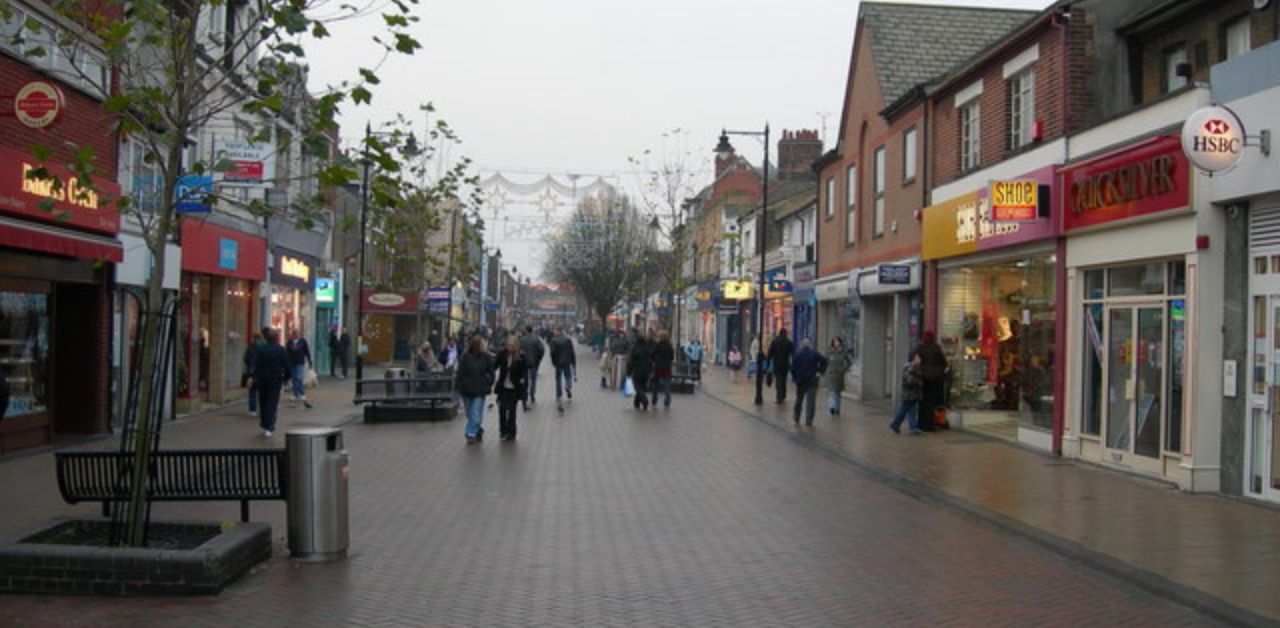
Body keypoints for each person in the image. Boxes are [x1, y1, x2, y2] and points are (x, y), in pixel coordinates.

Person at [248, 328, 291, 437]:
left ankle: (265, 423)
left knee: (263, 402)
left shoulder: (261, 349)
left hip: (262, 380)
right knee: (272, 403)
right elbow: (287, 365)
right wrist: (286, 378)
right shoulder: (281, 350)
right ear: (276, 339)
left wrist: (253, 376)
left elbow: (255, 364)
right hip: (275, 381)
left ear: (266, 338)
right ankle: (269, 426)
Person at [456, 336, 495, 444]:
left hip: (479, 390)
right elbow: (460, 373)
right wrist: (460, 386)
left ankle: (470, 433)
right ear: (476, 346)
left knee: (475, 413)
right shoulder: (465, 357)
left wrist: (488, 383)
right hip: (467, 390)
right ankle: (478, 430)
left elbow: (491, 372)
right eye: (482, 345)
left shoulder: (486, 357)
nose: (484, 346)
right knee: (469, 414)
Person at [493, 336, 528, 441]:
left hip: (514, 388)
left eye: (512, 346)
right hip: (503, 387)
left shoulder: (521, 356)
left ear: (516, 346)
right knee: (502, 410)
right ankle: (503, 431)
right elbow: (494, 366)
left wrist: (523, 382)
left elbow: (524, 372)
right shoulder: (502, 354)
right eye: (508, 346)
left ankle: (512, 432)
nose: (510, 348)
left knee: (512, 411)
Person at [914, 330, 949, 431]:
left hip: (923, 378)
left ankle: (921, 424)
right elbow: (944, 363)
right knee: (931, 402)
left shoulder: (920, 348)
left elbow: (914, 361)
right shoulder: (936, 348)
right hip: (935, 379)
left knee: (922, 401)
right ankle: (930, 424)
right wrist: (939, 371)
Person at [789, 338, 828, 426]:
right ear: (809, 345)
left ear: (801, 345)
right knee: (811, 401)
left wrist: (795, 378)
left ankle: (796, 416)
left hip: (801, 381)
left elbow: (792, 368)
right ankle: (809, 419)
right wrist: (820, 372)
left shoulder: (797, 355)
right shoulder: (814, 353)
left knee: (799, 399)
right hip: (812, 380)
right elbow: (824, 361)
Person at [890, 354, 924, 435]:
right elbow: (909, 381)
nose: (920, 359)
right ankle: (895, 424)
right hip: (909, 394)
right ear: (913, 359)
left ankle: (913, 427)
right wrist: (919, 382)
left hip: (912, 394)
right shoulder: (909, 368)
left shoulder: (914, 367)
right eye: (918, 358)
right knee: (904, 410)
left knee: (912, 410)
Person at [549, 327, 576, 411]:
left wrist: (553, 362)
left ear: (558, 331)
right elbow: (572, 352)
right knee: (568, 376)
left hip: (558, 363)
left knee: (558, 379)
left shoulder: (553, 341)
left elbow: (552, 353)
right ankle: (568, 387)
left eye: (555, 331)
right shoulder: (568, 340)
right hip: (567, 362)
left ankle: (559, 394)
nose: (554, 332)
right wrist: (573, 362)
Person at [824, 336, 852, 416]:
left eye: (837, 341)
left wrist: (844, 369)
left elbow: (849, 362)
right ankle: (832, 407)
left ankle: (837, 409)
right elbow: (824, 361)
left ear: (840, 342)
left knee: (837, 393)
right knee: (832, 392)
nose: (836, 343)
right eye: (834, 341)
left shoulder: (844, 351)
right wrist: (825, 370)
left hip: (839, 375)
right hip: (831, 375)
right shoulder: (829, 351)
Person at [285, 328, 313, 409]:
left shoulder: (303, 341)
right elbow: (287, 352)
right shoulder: (289, 342)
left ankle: (302, 393)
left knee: (299, 378)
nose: (295, 335)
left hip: (300, 362)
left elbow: (307, 351)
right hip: (291, 362)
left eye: (297, 333)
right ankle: (295, 394)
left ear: (299, 334)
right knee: (294, 378)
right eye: (294, 333)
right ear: (292, 334)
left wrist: (309, 360)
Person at [627, 328, 653, 411]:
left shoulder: (635, 349)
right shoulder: (647, 349)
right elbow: (650, 361)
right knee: (642, 386)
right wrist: (650, 371)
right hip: (646, 371)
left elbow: (631, 362)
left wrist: (628, 372)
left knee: (637, 387)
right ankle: (636, 403)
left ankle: (644, 401)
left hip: (638, 371)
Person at [520, 325, 545, 410]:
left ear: (526, 331)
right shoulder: (536, 339)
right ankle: (532, 393)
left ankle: (525, 394)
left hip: (524, 363)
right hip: (534, 363)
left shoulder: (522, 340)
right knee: (533, 379)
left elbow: (518, 350)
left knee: (525, 380)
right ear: (532, 330)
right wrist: (538, 359)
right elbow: (541, 350)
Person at [242, 330, 266, 416]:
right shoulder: (264, 346)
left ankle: (252, 410)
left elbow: (246, 358)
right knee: (262, 392)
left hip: (252, 372)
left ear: (254, 338)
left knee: (252, 391)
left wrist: (249, 366)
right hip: (262, 373)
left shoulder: (251, 346)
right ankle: (262, 409)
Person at [767, 328, 795, 404]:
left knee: (778, 381)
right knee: (784, 380)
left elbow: (770, 353)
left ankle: (779, 397)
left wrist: (768, 361)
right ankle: (783, 395)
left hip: (777, 364)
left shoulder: (775, 342)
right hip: (785, 364)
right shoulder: (789, 342)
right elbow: (793, 353)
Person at [650, 329, 675, 409]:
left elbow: (652, 355)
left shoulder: (658, 345)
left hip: (658, 368)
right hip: (667, 368)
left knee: (655, 385)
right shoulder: (669, 346)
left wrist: (655, 360)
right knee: (667, 386)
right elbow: (672, 357)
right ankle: (667, 401)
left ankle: (654, 400)